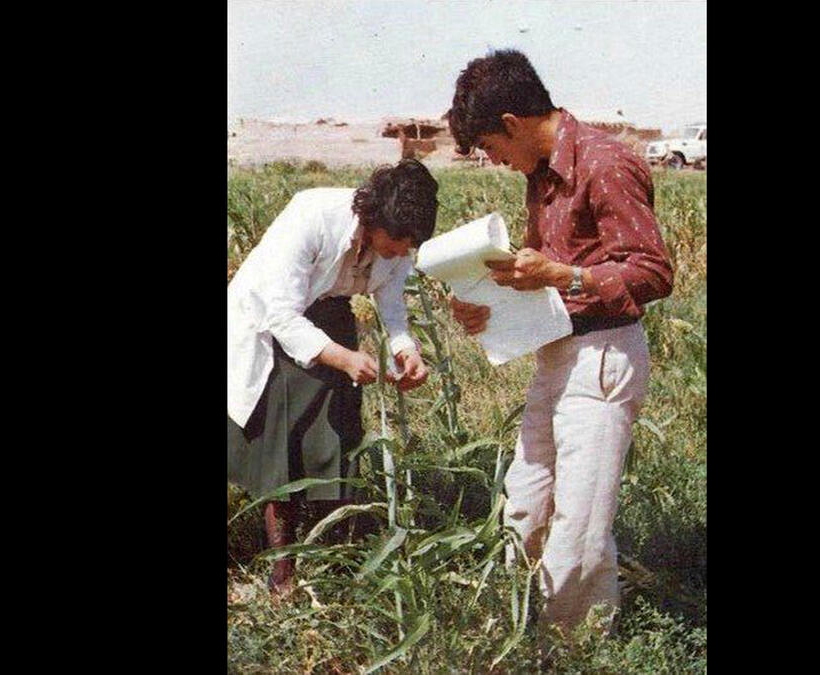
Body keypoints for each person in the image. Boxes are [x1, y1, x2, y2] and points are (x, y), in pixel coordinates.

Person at [445, 50, 674, 631]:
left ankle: (557, 649)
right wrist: (487, 303)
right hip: (557, 351)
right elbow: (539, 270)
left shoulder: (604, 162)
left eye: (493, 149)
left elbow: (652, 271)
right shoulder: (542, 172)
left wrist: (564, 277)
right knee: (525, 506)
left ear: (513, 124)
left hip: (603, 357)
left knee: (579, 525)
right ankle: (564, 632)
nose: (496, 162)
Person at [227, 159, 435, 591]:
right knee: (281, 441)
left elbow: (391, 302)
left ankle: (333, 551)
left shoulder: (396, 245)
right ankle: (282, 571)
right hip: (271, 321)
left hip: (330, 318)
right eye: (397, 241)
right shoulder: (313, 216)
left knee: (335, 435)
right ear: (374, 218)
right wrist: (342, 358)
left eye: (410, 244)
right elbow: (280, 312)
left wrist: (405, 348)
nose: (402, 251)